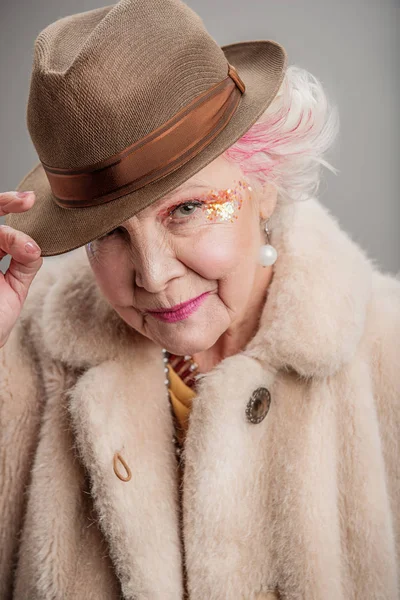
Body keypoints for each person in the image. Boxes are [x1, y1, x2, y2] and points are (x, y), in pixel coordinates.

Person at [1, 0, 399, 599]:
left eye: (187, 210)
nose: (154, 277)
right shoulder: (20, 357)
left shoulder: (390, 349)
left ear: (263, 185)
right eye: (108, 232)